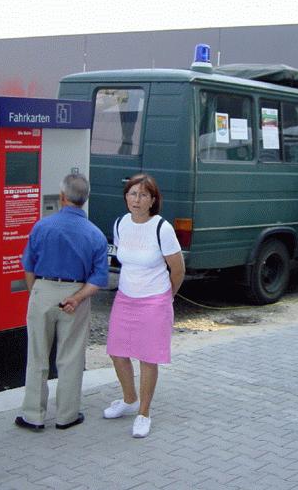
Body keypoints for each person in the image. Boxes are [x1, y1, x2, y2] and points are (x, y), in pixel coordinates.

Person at [15, 172, 109, 432]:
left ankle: (32, 415)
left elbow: (29, 266)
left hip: (43, 290)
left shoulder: (42, 226)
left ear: (62, 197)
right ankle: (66, 416)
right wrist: (76, 298)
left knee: (37, 357)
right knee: (70, 358)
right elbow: (98, 279)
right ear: (85, 199)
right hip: (76, 294)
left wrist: (39, 293)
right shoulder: (96, 235)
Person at [103, 172, 185, 438]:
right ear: (126, 197)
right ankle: (129, 399)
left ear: (153, 200)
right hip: (126, 297)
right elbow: (124, 260)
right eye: (132, 194)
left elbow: (178, 269)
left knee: (148, 357)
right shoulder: (120, 224)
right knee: (117, 350)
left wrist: (167, 296)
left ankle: (144, 413)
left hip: (155, 300)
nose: (136, 200)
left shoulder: (162, 228)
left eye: (143, 195)